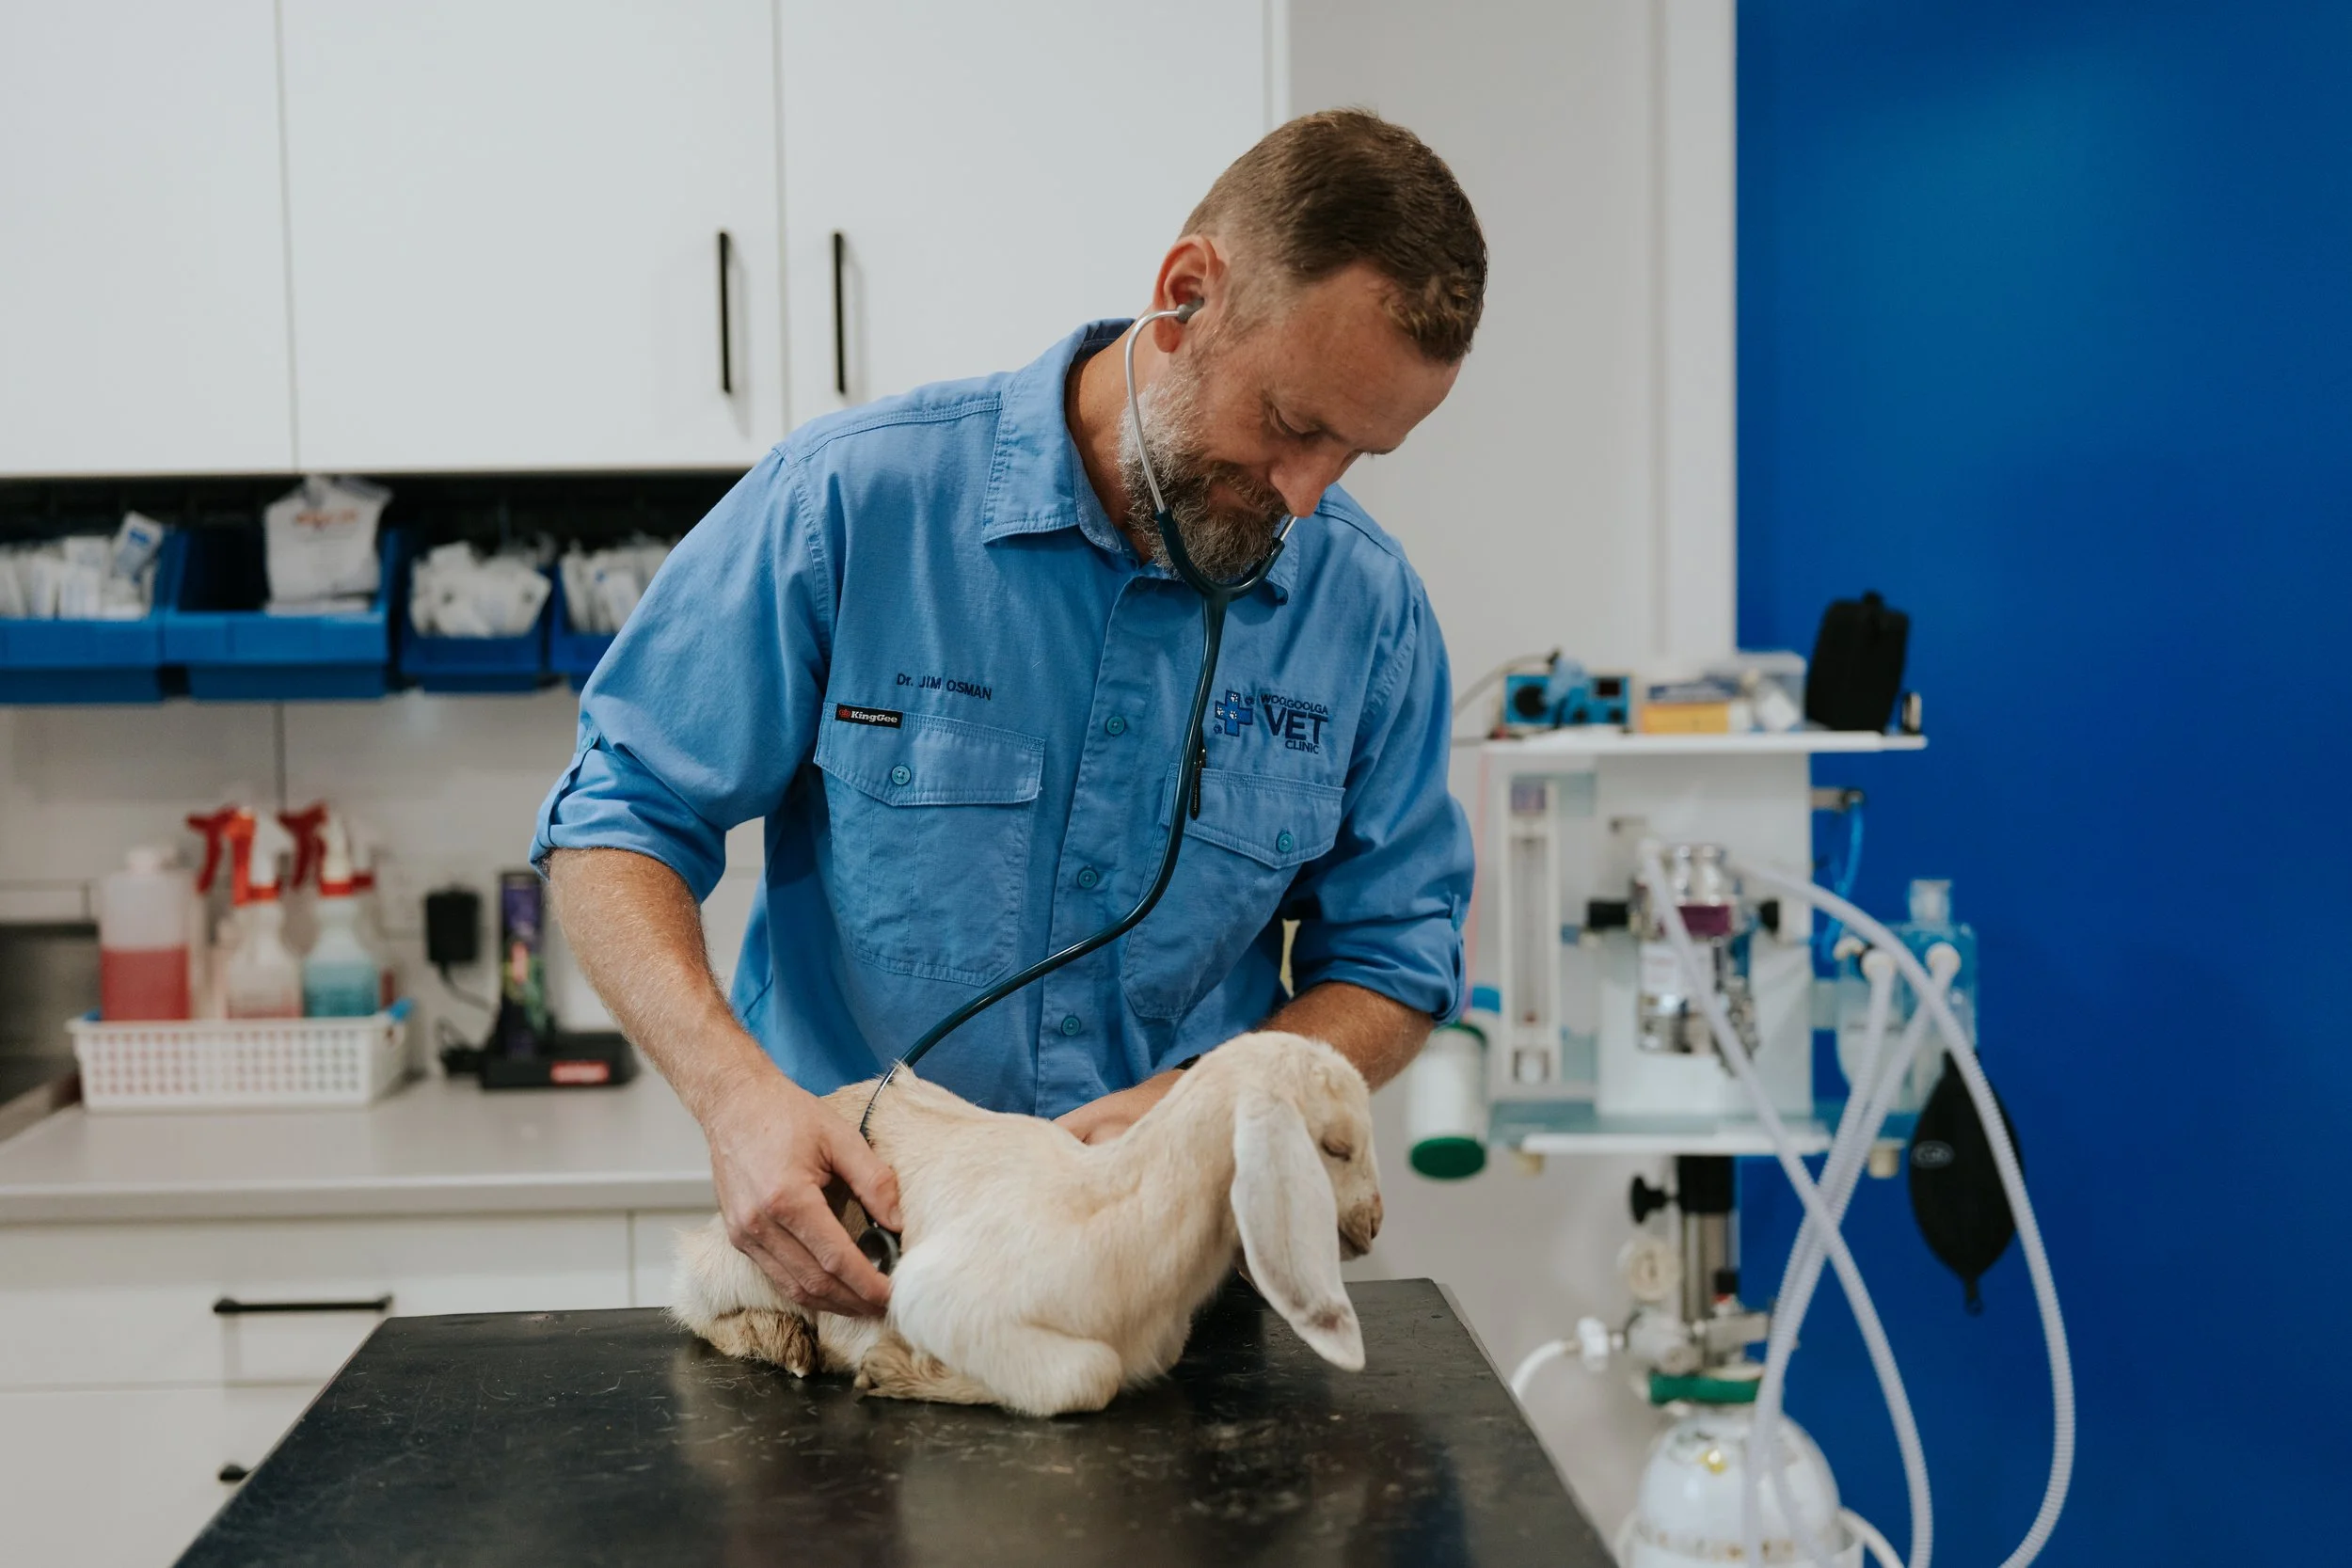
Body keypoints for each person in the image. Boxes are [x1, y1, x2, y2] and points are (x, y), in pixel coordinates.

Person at [534, 109, 1487, 1322]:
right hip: (856, 1269)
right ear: (1188, 293)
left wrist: (1202, 1106)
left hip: (1176, 1299)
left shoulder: (1369, 611)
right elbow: (615, 815)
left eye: (1359, 455)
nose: (1306, 494)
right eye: (1294, 426)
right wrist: (733, 1098)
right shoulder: (855, 504)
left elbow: (1396, 958)